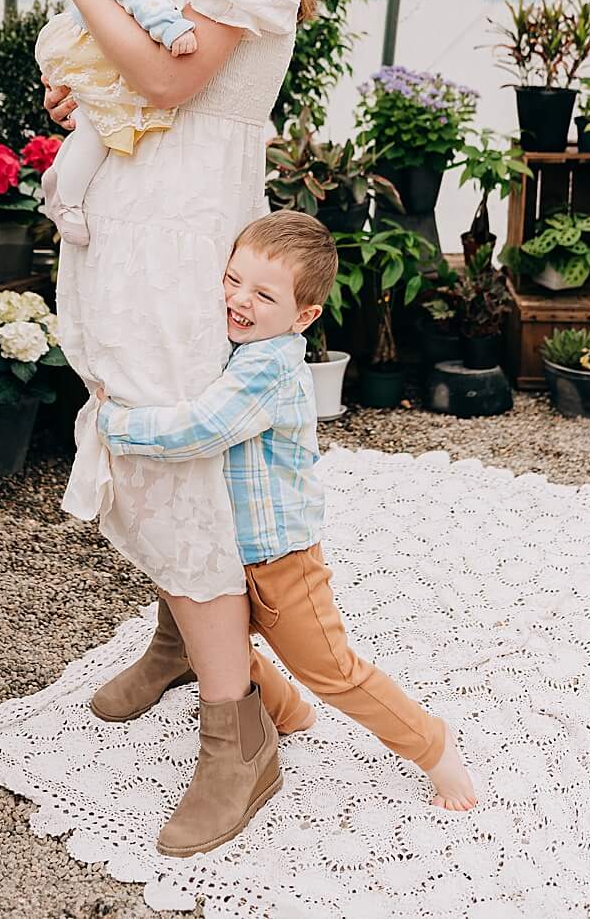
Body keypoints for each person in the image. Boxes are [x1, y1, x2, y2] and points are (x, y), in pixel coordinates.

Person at [46, 0, 316, 855]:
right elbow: (127, 81)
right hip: (143, 212)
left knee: (173, 443)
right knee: (138, 413)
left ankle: (235, 738)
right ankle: (176, 636)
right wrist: (81, 81)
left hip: (188, 216)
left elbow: (170, 84)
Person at [90, 212, 479, 854]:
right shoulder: (240, 345)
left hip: (280, 564)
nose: (240, 300)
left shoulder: (267, 366)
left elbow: (205, 427)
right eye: (233, 280)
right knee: (217, 641)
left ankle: (435, 746)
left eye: (264, 296)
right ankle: (287, 715)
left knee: (332, 669)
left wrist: (119, 426)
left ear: (303, 316)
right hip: (229, 549)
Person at [34, 0, 200, 246]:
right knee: (97, 127)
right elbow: (144, 1)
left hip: (112, 53)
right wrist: (173, 30)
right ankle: (67, 202)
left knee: (100, 124)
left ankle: (60, 178)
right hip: (95, 53)